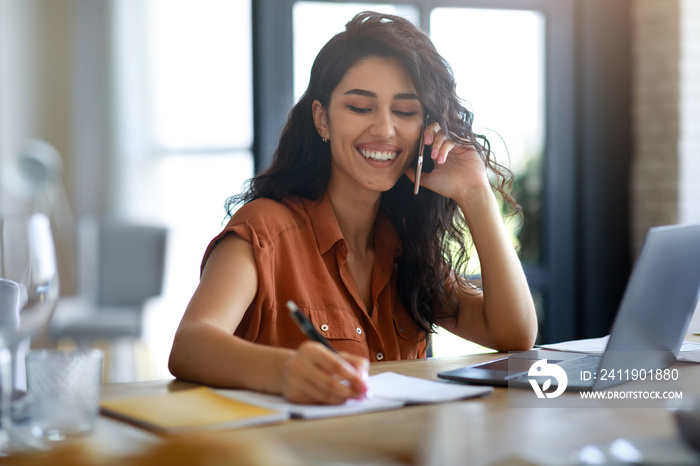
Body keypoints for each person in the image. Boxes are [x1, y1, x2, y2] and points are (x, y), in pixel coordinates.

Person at [169, 11, 537, 405]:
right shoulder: (265, 230)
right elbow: (190, 343)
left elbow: (514, 335)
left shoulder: (403, 243)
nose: (384, 129)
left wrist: (476, 192)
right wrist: (284, 370)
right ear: (321, 119)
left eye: (405, 112)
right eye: (361, 108)